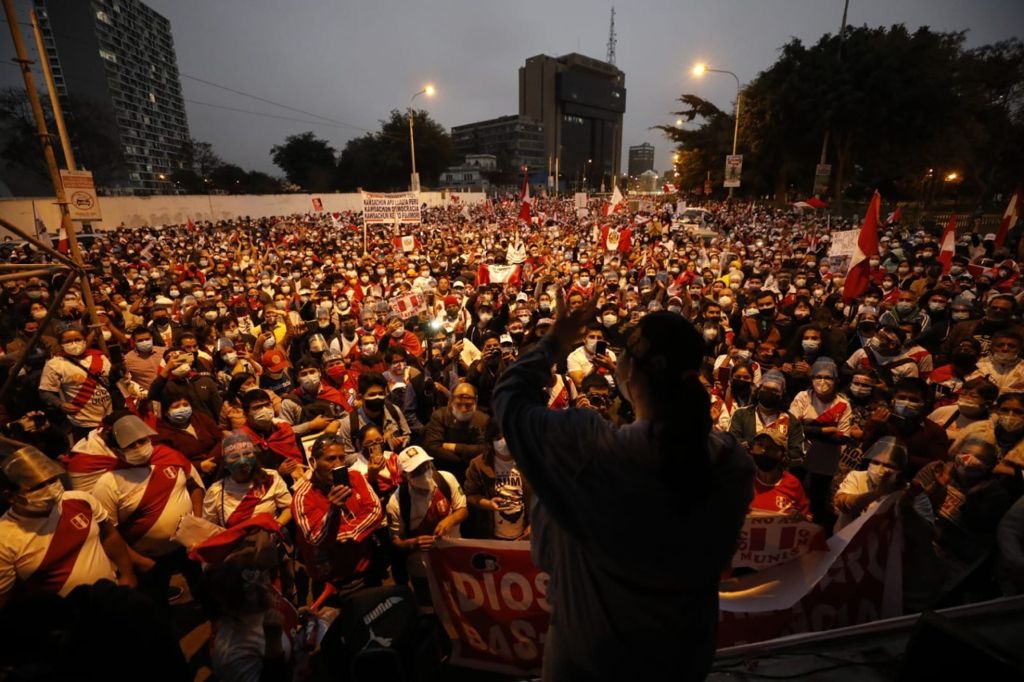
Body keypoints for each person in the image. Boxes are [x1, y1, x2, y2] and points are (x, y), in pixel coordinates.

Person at [494, 305, 753, 681]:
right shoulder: (732, 463)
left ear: (630, 369)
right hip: (682, 657)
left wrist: (556, 340)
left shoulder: (592, 451)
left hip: (591, 659)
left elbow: (509, 401)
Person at [90, 414, 204, 608]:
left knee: (204, 589)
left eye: (141, 441)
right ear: (117, 451)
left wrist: (197, 523)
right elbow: (109, 533)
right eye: (130, 446)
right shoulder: (108, 483)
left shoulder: (170, 457)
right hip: (148, 559)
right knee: (156, 608)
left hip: (188, 545)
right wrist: (138, 562)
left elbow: (195, 486)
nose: (138, 448)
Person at [0, 446, 136, 606]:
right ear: (10, 496)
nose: (50, 489)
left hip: (113, 597)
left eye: (52, 480)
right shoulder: (4, 539)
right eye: (38, 487)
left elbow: (110, 535)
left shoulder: (81, 500)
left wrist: (127, 574)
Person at [386, 446, 467, 607]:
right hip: (421, 569)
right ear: (405, 475)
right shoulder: (396, 503)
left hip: (453, 560)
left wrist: (449, 521)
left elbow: (463, 510)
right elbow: (395, 540)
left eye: (426, 466)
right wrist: (414, 543)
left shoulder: (446, 480)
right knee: (429, 606)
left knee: (459, 604)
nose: (424, 473)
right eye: (417, 471)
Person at [203, 431, 293, 529]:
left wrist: (276, 527)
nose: (242, 461)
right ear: (225, 464)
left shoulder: (271, 477)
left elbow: (288, 508)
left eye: (247, 454)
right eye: (235, 456)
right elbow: (209, 528)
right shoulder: (216, 491)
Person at [464, 420, 531, 540]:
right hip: (491, 534)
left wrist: (533, 525)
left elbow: (541, 498)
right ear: (490, 440)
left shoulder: (529, 463)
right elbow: (470, 495)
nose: (504, 440)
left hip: (524, 534)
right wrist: (489, 504)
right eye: (498, 437)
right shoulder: (479, 465)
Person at [833, 436, 908, 532]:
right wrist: (875, 494)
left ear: (900, 470)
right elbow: (842, 503)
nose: (880, 469)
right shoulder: (857, 477)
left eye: (888, 465)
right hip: (844, 543)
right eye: (876, 462)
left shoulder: (906, 493)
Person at [422, 381, 490, 482]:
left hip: (473, 475)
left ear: (476, 402)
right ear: (450, 401)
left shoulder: (483, 420)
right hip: (444, 472)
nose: (463, 409)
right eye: (459, 405)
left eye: (468, 405)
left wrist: (455, 447)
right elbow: (432, 447)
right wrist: (464, 459)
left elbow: (485, 449)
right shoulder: (440, 416)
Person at [747, 430, 811, 520]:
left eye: (771, 448)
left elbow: (808, 520)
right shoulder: (743, 480)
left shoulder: (792, 483)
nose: (764, 451)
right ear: (752, 449)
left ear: (782, 455)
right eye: (760, 445)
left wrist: (800, 517)